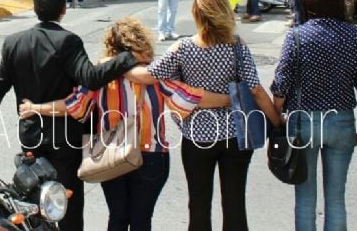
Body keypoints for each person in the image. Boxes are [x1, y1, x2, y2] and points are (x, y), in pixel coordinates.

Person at [20, 18, 231, 231]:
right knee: (142, 220)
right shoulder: (154, 76)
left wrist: (36, 108)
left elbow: (73, 106)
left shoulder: (101, 78)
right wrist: (229, 99)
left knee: (118, 218)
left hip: (112, 155)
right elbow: (191, 99)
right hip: (152, 155)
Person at [0, 0, 147, 231]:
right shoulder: (67, 41)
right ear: (63, 9)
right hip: (65, 139)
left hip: (31, 134)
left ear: (35, 8)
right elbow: (90, 77)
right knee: (66, 201)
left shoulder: (14, 42)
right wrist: (129, 57)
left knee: (35, 199)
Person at [135, 0, 281, 231]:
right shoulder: (236, 46)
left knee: (199, 203)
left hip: (197, 137)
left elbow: (151, 75)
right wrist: (277, 121)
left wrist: (122, 66)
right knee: (235, 202)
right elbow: (255, 89)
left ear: (196, 13)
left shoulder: (184, 48)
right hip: (236, 134)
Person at [271, 0, 357, 231]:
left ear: (307, 3)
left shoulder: (297, 37)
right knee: (336, 199)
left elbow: (281, 86)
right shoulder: (354, 36)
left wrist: (278, 115)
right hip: (341, 120)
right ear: (338, 0)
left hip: (303, 121)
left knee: (305, 198)